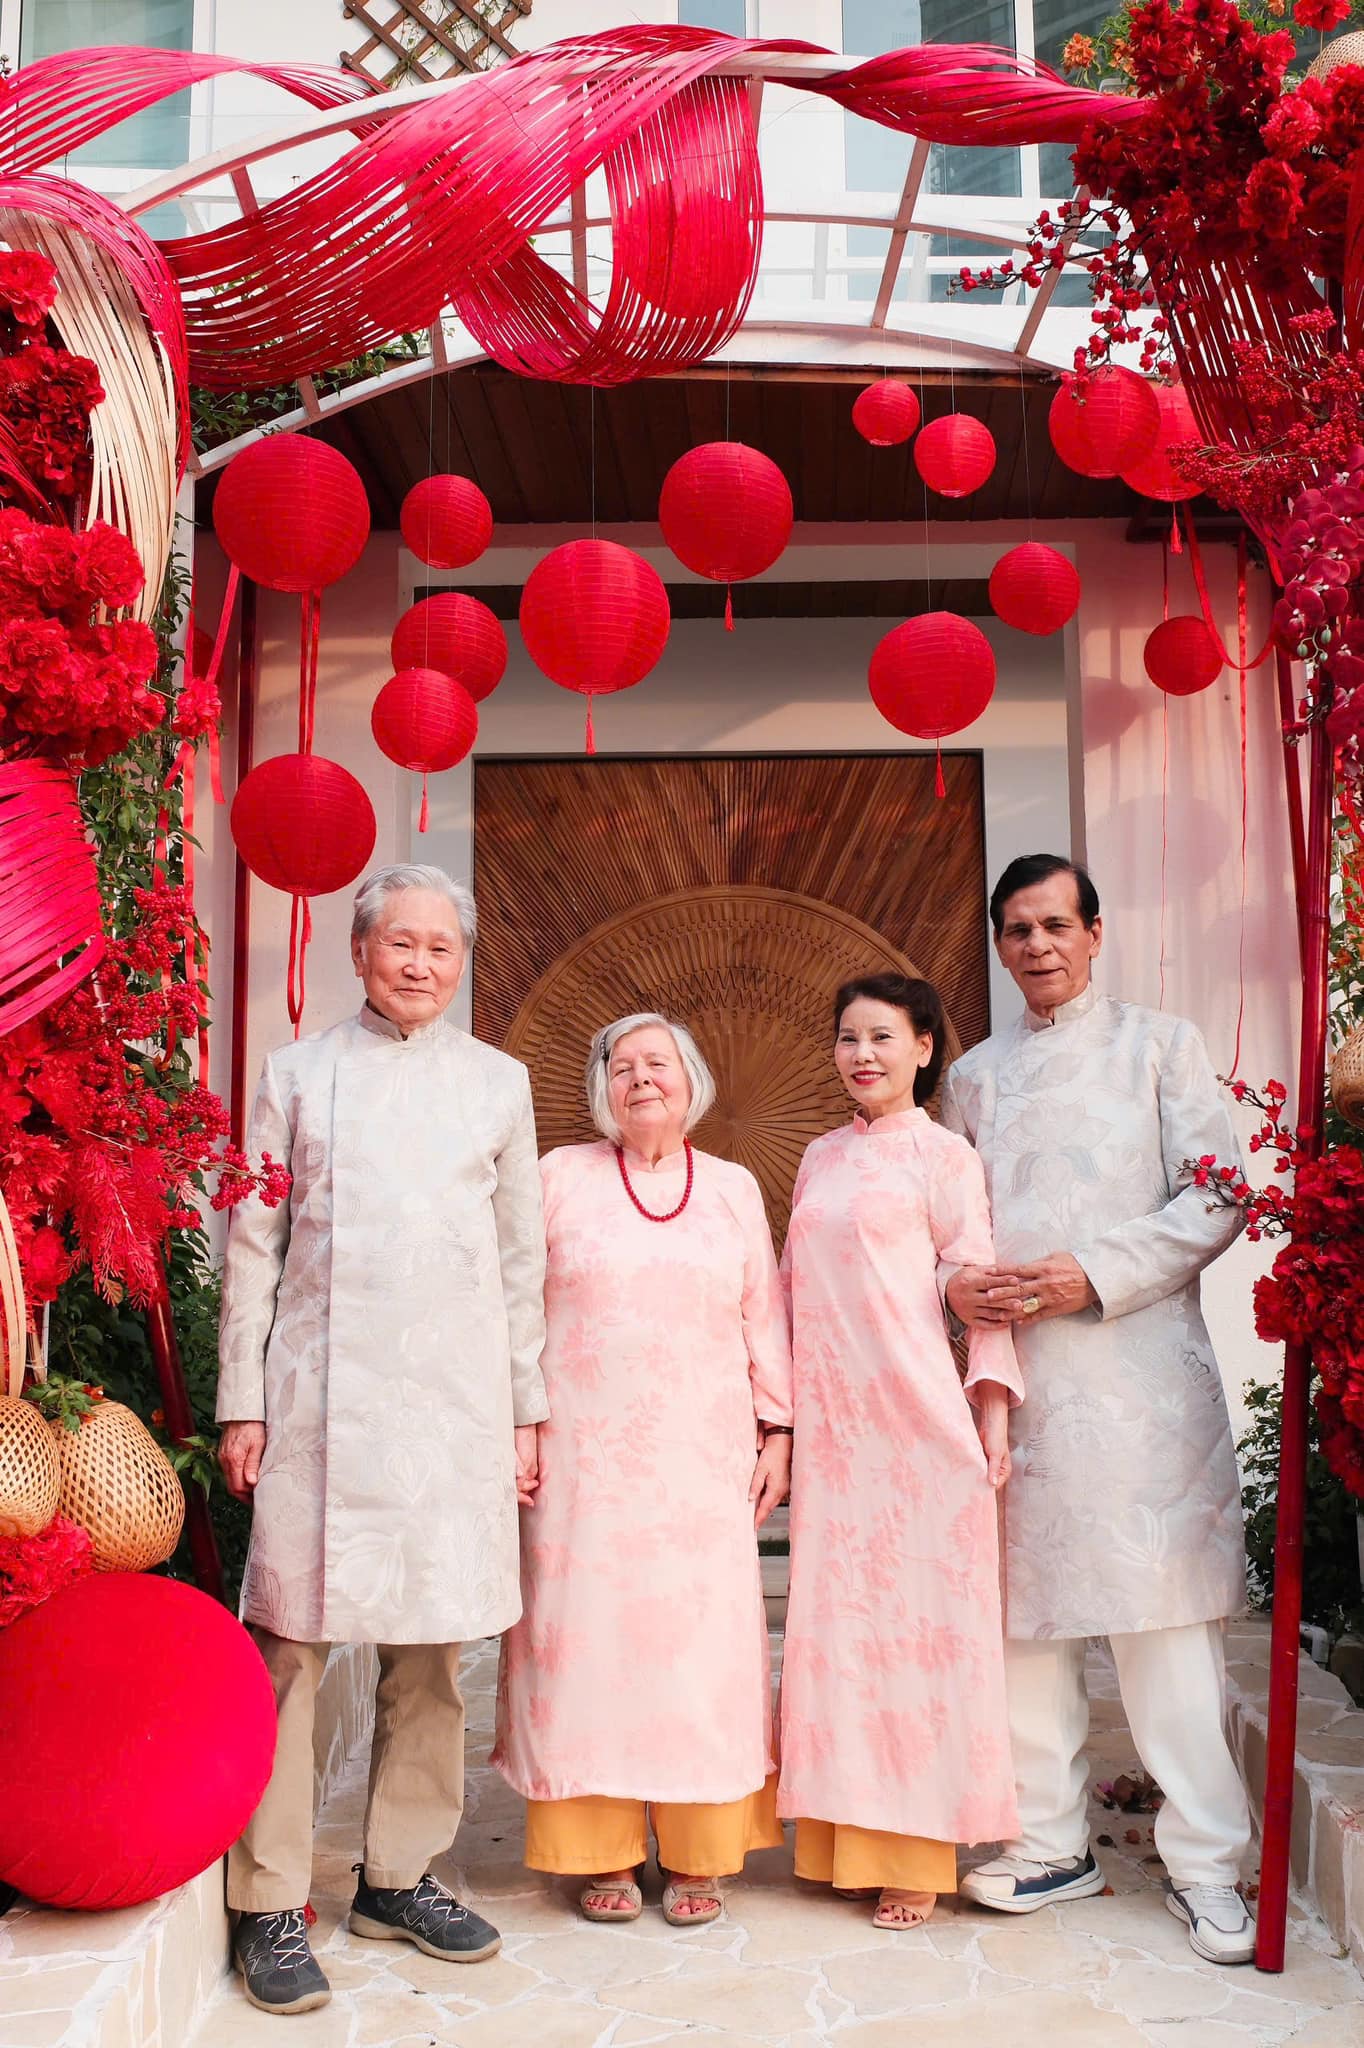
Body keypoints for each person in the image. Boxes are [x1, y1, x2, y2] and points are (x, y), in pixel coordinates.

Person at [216, 863, 548, 2015]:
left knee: (434, 1649)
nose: (418, 962)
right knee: (290, 1649)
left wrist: (524, 1411)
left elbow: (519, 1263)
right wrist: (242, 1398)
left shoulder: (499, 1082)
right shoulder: (296, 1072)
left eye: (439, 946)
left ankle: (397, 1876)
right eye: (399, 941)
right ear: (358, 952)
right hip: (317, 1399)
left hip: (453, 1406)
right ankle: (267, 1895)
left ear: (462, 961)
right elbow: (251, 1243)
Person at [941, 853, 1254, 1966]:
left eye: (1055, 925)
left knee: (1162, 1624)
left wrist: (1096, 1272)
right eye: (1016, 929)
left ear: (1095, 932)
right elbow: (946, 1214)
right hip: (1018, 1384)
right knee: (1025, 1623)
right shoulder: (972, 1076)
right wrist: (954, 1284)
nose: (1037, 945)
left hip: (1140, 1380)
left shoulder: (1159, 1045)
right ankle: (1048, 1842)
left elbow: (1219, 1192)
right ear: (999, 944)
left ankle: (1209, 1864)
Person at [492, 1011, 793, 1927]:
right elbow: (515, 1307)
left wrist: (779, 1430)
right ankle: (601, 1851)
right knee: (585, 1647)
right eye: (620, 1067)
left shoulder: (733, 1188)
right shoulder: (558, 1177)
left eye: (658, 1063)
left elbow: (763, 1313)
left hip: (701, 1463)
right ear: (601, 1091)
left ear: (691, 1080)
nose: (641, 1080)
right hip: (581, 1462)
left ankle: (702, 1849)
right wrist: (519, 1421)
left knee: (699, 1650)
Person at [777, 974, 1022, 1931]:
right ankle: (844, 1842)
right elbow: (791, 1287)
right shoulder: (818, 1157)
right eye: (848, 1037)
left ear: (924, 1048)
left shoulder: (945, 1156)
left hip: (917, 1429)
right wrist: (776, 1418)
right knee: (842, 1638)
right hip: (835, 1436)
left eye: (882, 1037)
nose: (861, 1055)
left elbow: (977, 1278)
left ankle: (916, 1853)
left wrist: (990, 1411)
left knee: (918, 1638)